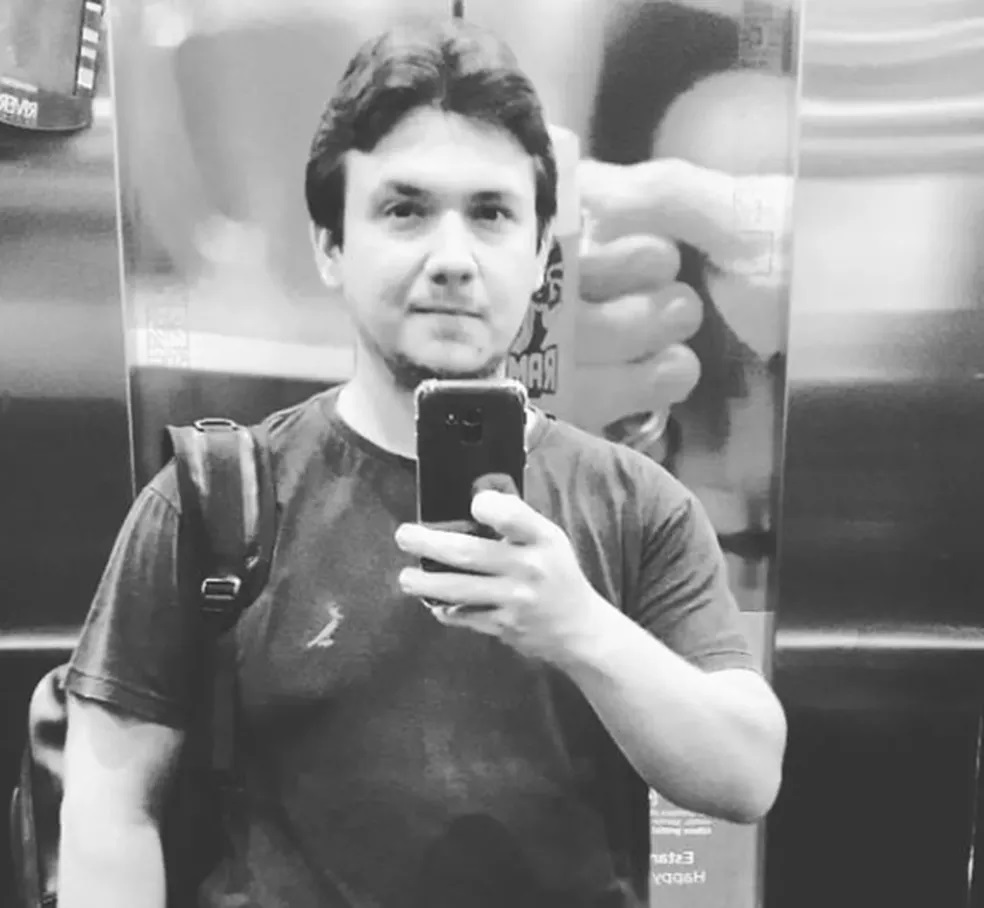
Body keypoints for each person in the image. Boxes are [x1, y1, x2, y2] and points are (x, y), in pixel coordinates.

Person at [58, 18, 787, 908]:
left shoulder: (637, 505)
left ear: (539, 253)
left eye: (491, 214)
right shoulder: (214, 500)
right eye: (404, 210)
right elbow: (110, 811)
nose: (452, 259)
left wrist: (578, 628)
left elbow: (746, 776)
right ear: (331, 246)